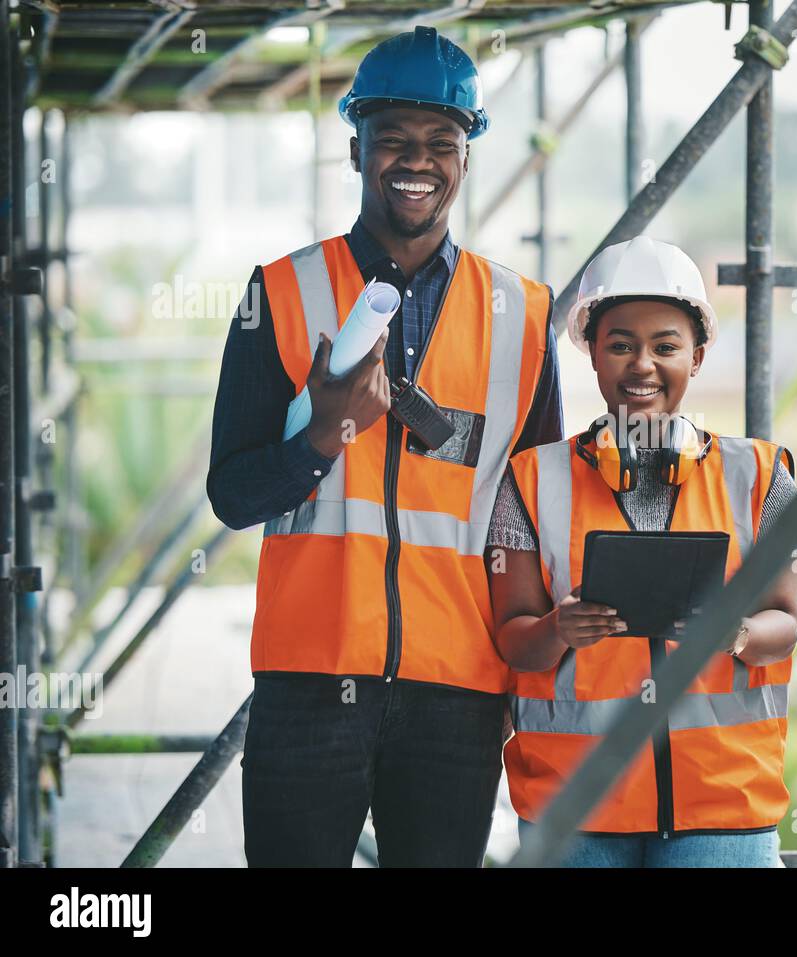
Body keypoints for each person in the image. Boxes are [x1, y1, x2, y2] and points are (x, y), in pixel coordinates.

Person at [206, 26, 563, 867]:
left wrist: (529, 664)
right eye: (394, 139)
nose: (418, 161)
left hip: (458, 691)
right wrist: (323, 436)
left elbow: (539, 514)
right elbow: (232, 494)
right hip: (307, 679)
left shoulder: (525, 316)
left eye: (442, 142)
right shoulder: (281, 292)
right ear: (357, 144)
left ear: (466, 155)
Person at [485, 237, 797, 867]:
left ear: (696, 356)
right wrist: (559, 628)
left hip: (723, 808)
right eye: (620, 345)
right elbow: (514, 639)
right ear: (592, 357)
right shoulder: (531, 479)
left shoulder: (760, 475)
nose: (642, 365)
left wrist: (738, 630)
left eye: (665, 346)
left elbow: (787, 626)